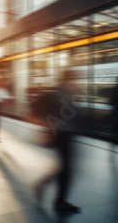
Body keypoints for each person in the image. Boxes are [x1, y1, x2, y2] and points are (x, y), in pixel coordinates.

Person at [34, 70, 82, 213]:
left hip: (65, 134)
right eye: (73, 79)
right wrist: (47, 128)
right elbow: (39, 109)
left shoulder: (65, 92)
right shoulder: (56, 93)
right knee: (66, 168)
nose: (75, 82)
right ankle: (59, 201)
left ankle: (52, 193)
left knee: (64, 167)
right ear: (68, 79)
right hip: (60, 135)